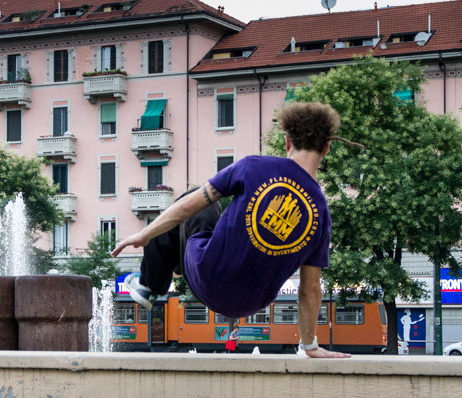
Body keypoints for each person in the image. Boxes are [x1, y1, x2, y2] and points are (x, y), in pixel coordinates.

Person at [112, 102, 351, 359]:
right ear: (326, 148)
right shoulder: (321, 214)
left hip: (208, 277)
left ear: (287, 142)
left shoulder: (254, 167)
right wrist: (309, 345)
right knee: (204, 221)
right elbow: (310, 289)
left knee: (196, 199)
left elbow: (185, 209)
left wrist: (146, 234)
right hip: (251, 303)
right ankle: (175, 264)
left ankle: (150, 285)